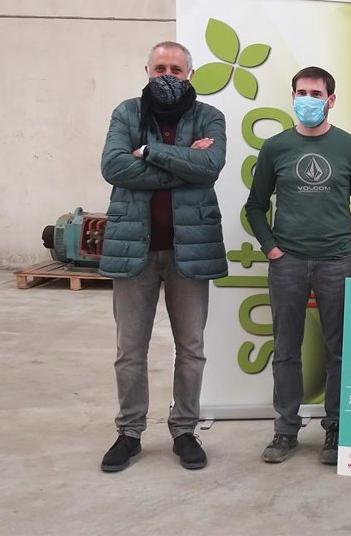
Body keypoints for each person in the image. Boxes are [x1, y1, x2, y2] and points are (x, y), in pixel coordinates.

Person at [98, 41, 227, 472]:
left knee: (191, 348)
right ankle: (129, 433)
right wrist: (184, 162)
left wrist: (150, 152)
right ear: (147, 70)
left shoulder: (209, 116)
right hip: (133, 249)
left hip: (190, 252)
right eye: (160, 69)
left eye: (176, 69)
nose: (167, 76)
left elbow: (209, 167)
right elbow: (114, 167)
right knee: (129, 350)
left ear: (190, 74)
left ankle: (184, 430)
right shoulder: (126, 113)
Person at [244, 66, 351, 466]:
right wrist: (271, 249)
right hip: (288, 262)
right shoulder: (275, 147)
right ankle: (285, 429)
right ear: (293, 97)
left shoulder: (350, 147)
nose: (308, 100)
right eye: (301, 92)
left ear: (330, 101)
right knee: (286, 349)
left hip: (336, 261)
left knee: (340, 351)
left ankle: (335, 428)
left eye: (316, 94)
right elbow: (255, 206)